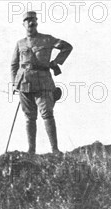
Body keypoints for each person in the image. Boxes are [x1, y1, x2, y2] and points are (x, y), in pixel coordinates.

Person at [11, 11, 73, 154]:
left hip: (43, 82)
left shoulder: (47, 39)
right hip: (24, 83)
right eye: (28, 21)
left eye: (33, 20)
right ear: (24, 24)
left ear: (37, 22)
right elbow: (14, 65)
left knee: (47, 114)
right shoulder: (20, 43)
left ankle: (55, 149)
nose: (31, 23)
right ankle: (31, 149)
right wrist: (15, 83)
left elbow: (67, 47)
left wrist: (56, 62)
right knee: (29, 117)